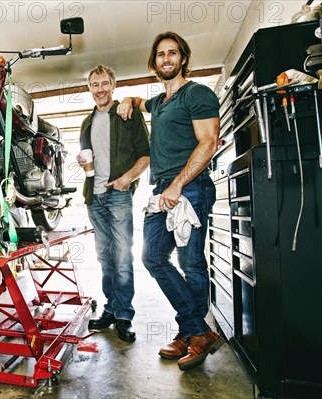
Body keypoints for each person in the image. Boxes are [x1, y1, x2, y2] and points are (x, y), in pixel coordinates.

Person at [117, 32, 223, 370]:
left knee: (191, 263)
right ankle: (196, 331)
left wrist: (178, 185)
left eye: (172, 53)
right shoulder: (160, 103)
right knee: (152, 257)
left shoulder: (198, 93)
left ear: (183, 58)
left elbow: (208, 142)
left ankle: (190, 333)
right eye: (161, 54)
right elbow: (139, 101)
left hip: (189, 187)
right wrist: (129, 101)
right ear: (154, 63)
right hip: (162, 190)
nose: (166, 59)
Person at [77, 64, 150, 343]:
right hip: (93, 197)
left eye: (105, 83)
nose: (100, 89)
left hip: (118, 195)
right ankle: (110, 309)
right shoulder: (86, 122)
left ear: (113, 85)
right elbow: (87, 157)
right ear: (90, 89)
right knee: (105, 258)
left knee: (121, 258)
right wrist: (82, 161)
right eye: (95, 85)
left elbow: (146, 154)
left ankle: (124, 315)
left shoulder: (126, 114)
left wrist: (126, 180)